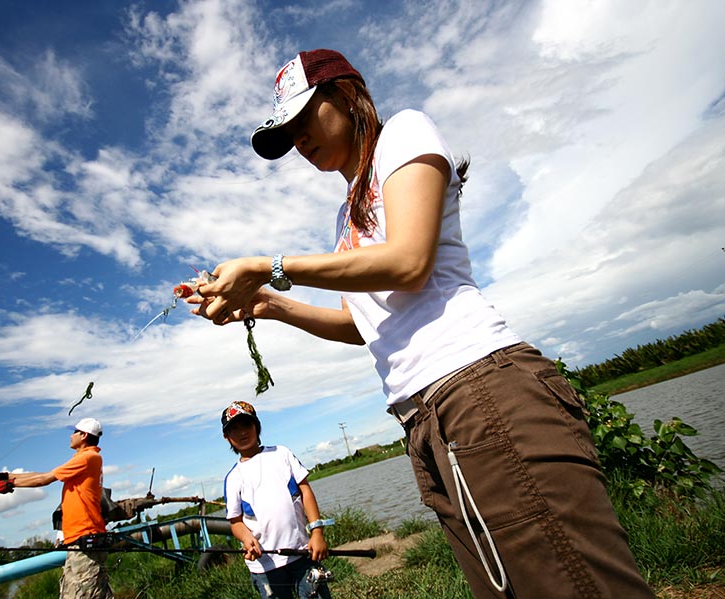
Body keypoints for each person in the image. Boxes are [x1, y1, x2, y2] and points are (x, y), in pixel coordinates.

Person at [191, 49, 655, 599]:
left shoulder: (403, 134)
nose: (297, 141)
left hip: (479, 388)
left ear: (345, 96)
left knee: (577, 585)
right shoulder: (346, 215)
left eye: (303, 119)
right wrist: (267, 304)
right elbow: (361, 324)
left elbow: (409, 260)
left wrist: (269, 266)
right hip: (423, 419)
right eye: (286, 133)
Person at [0, 417, 114, 599]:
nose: (71, 436)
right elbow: (45, 475)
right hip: (78, 540)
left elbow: (43, 480)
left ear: (83, 435)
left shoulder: (87, 458)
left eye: (74, 432)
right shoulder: (85, 459)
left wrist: (10, 483)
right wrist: (4, 475)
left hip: (85, 538)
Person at [221, 401, 333, 599]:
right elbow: (236, 522)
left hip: (302, 553)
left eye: (246, 425)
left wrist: (317, 532)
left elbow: (305, 491)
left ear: (257, 426)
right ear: (227, 437)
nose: (242, 433)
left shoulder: (281, 453)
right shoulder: (233, 478)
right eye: (234, 429)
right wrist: (247, 540)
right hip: (264, 566)